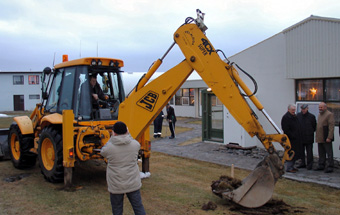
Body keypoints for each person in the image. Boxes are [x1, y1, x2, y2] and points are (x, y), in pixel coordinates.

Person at [100, 121, 146, 215]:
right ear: (127, 131)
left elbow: (103, 152)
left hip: (116, 184)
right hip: (132, 182)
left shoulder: (109, 148)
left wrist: (112, 138)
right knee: (138, 207)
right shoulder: (135, 145)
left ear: (114, 132)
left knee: (117, 210)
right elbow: (133, 141)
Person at [281, 104, 302, 173]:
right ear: (288, 110)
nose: (294, 111)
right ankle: (289, 167)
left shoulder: (294, 116)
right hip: (290, 139)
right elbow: (286, 129)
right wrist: (292, 135)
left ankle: (292, 166)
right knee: (290, 153)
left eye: (294, 110)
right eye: (292, 110)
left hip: (296, 139)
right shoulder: (286, 117)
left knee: (294, 153)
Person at [315, 102, 335, 173]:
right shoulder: (319, 115)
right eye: (319, 107)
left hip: (326, 137)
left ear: (325, 107)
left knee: (329, 152)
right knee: (321, 152)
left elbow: (331, 126)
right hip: (320, 137)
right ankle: (321, 164)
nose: (320, 108)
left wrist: (329, 137)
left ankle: (330, 166)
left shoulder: (329, 114)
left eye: (321, 107)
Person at [297, 104, 316, 170]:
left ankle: (309, 164)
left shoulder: (311, 116)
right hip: (301, 137)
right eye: (302, 109)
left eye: (304, 109)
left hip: (309, 137)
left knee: (309, 152)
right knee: (301, 151)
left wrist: (309, 132)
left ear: (307, 108)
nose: (303, 110)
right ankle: (302, 163)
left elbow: (314, 127)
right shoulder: (298, 116)